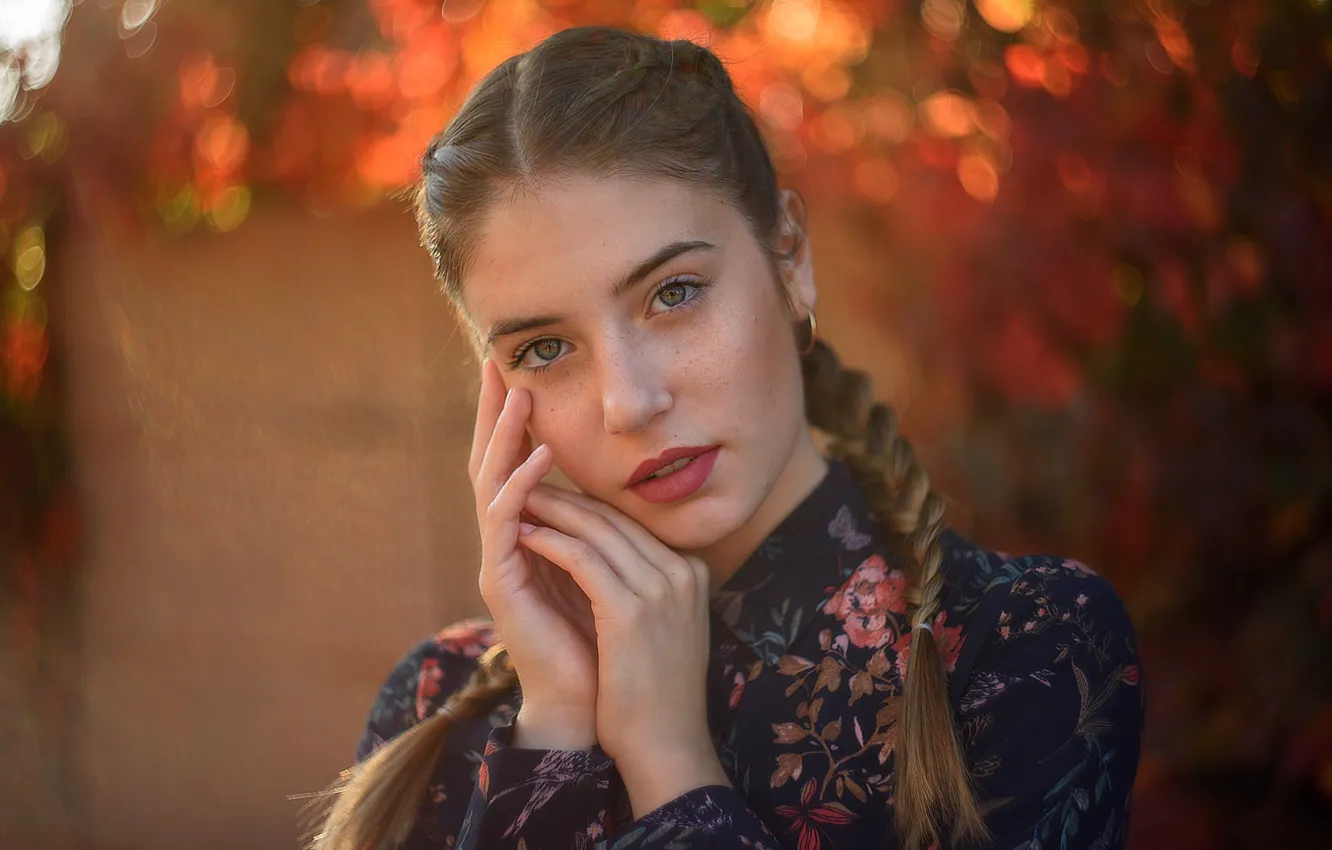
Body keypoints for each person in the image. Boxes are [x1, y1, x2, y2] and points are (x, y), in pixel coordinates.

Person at [313, 25, 1144, 850]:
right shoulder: (432, 704)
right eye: (545, 348)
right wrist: (556, 728)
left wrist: (668, 760)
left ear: (790, 256)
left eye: (673, 293)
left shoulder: (1019, 649)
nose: (629, 401)